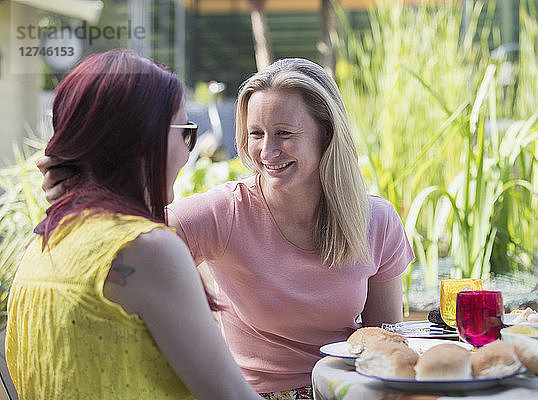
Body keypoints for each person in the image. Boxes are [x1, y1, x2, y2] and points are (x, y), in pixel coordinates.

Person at [38, 57, 415, 399]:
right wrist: (75, 179)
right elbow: (123, 238)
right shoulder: (222, 211)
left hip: (347, 390)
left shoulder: (377, 221)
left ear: (326, 135)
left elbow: (386, 346)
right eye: (256, 134)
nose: (267, 152)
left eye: (284, 133)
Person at [6, 49, 262, 400]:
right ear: (145, 137)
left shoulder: (40, 244)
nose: (188, 153)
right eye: (185, 132)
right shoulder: (145, 250)